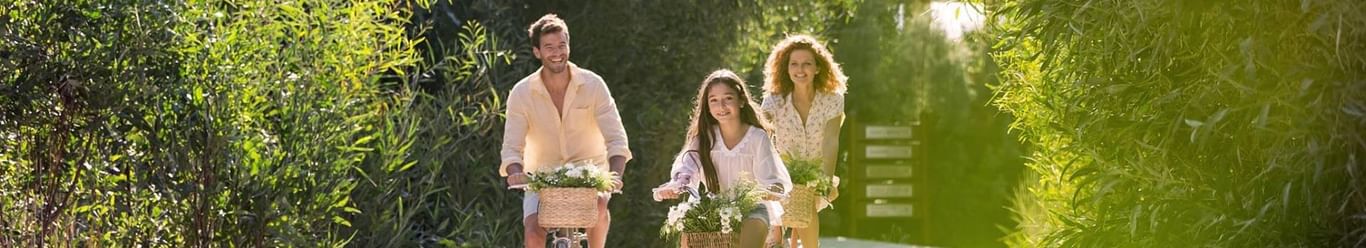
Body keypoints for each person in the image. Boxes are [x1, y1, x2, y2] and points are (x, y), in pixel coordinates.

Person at [500, 13, 632, 248]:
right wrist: (516, 171)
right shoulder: (521, 93)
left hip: (589, 175)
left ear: (568, 46)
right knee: (532, 232)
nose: (557, 52)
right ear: (537, 52)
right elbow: (512, 147)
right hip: (541, 179)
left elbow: (616, 138)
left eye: (562, 45)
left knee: (599, 205)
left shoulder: (593, 85)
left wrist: (615, 174)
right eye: (549, 47)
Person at [654, 69, 793, 248]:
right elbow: (687, 168)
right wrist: (676, 186)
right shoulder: (704, 137)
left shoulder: (757, 137)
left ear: (741, 100)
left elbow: (773, 178)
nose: (721, 106)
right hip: (713, 209)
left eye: (728, 98)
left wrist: (771, 190)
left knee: (752, 231)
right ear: (707, 106)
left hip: (751, 208)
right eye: (714, 101)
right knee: (687, 237)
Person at [760, 34, 848, 248]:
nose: (800, 70)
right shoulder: (774, 101)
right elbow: (763, 139)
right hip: (781, 172)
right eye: (794, 64)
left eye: (807, 64)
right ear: (786, 69)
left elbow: (831, 141)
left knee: (805, 213)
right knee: (775, 236)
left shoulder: (832, 100)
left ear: (817, 68)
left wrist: (826, 180)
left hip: (813, 174)